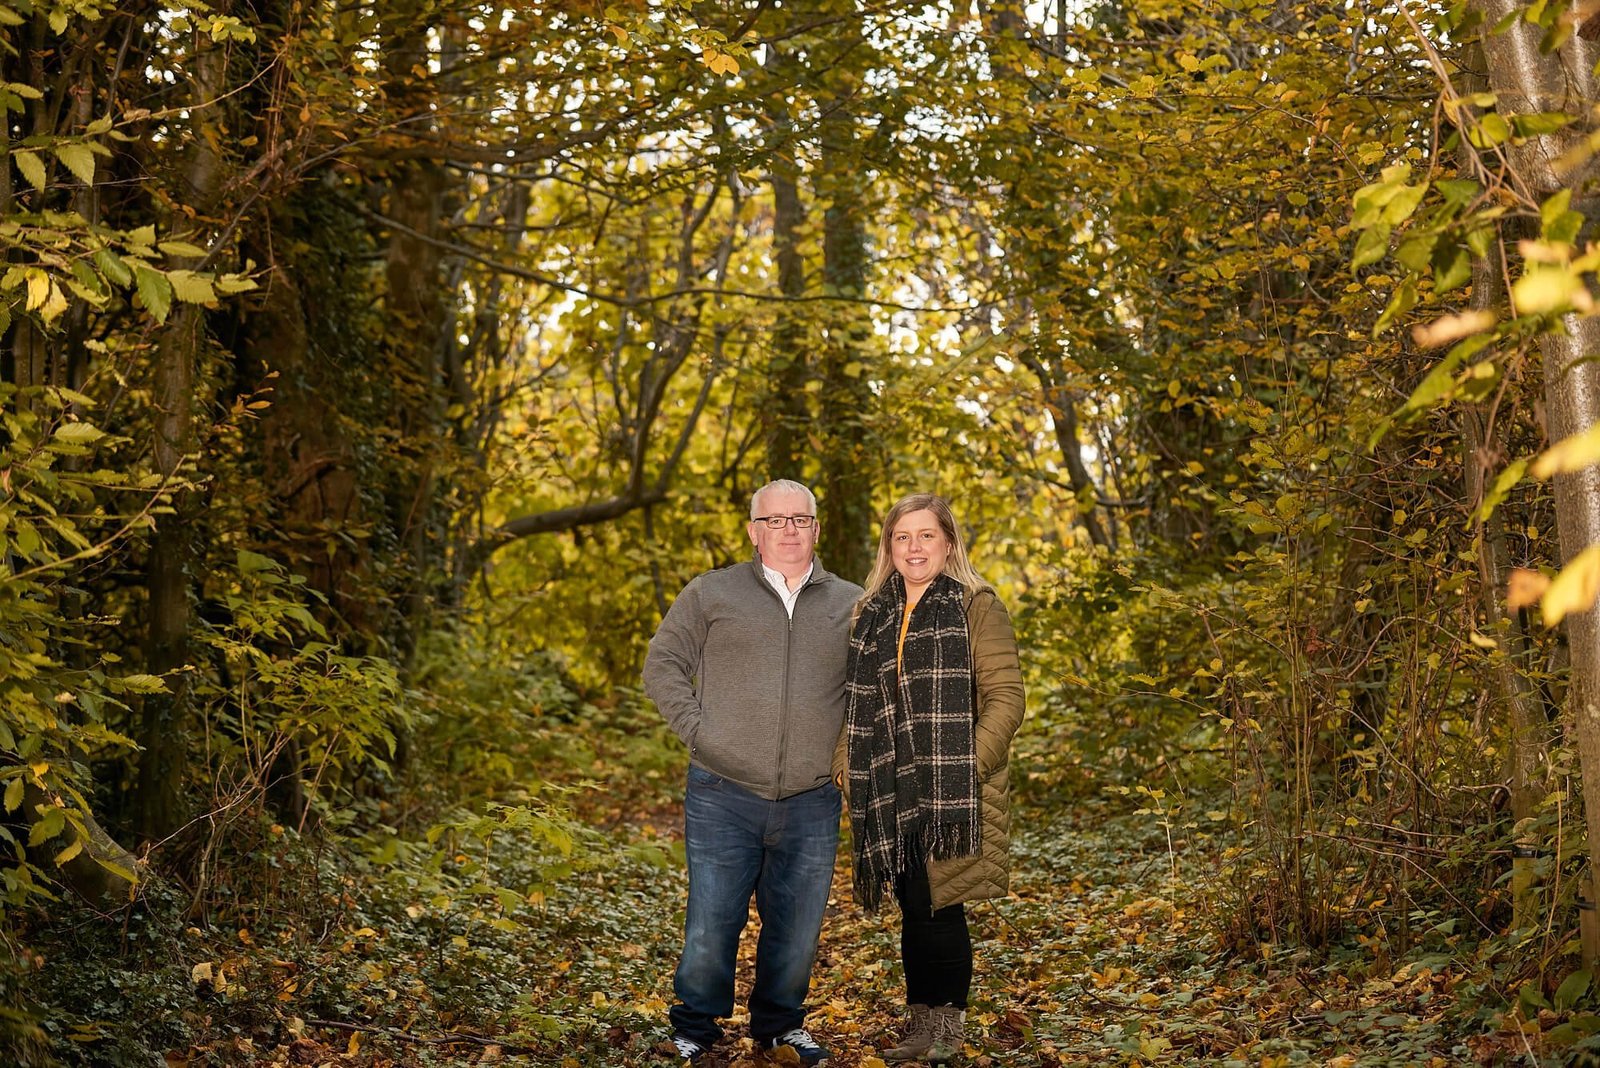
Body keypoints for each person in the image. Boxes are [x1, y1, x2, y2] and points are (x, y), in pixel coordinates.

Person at [643, 479, 862, 1065]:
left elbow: (871, 691)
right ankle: (695, 1026)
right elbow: (663, 662)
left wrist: (840, 757)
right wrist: (700, 732)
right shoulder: (712, 593)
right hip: (722, 791)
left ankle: (778, 1026)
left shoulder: (853, 602)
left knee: (797, 926)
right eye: (775, 520)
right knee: (713, 919)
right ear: (753, 531)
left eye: (800, 520)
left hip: (812, 797)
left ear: (817, 528)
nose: (788, 530)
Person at [835, 493, 1025, 1064]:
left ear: (948, 543)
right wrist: (847, 762)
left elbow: (1007, 698)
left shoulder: (975, 606)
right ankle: (922, 1026)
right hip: (889, 784)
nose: (914, 547)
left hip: (952, 789)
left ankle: (947, 1032)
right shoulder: (869, 615)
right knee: (914, 905)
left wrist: (968, 766)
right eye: (903, 537)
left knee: (943, 907)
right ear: (889, 547)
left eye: (926, 536)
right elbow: (856, 702)